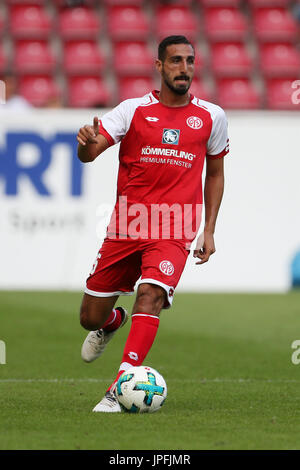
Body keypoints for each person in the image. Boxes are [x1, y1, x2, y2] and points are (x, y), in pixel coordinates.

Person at [76, 35, 229, 413]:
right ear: (159, 66)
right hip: (127, 227)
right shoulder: (131, 110)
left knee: (152, 295)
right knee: (88, 317)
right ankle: (112, 322)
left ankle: (120, 385)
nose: (184, 68)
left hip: (175, 229)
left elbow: (216, 173)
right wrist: (84, 142)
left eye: (190, 61)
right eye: (176, 61)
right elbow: (90, 153)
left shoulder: (212, 116)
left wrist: (208, 229)